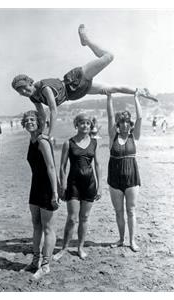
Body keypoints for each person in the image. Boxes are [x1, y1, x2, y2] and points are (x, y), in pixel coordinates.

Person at [12, 24, 158, 141]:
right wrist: (39, 132)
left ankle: (86, 41)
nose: (24, 92)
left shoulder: (44, 89)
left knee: (109, 58)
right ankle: (141, 90)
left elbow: (53, 111)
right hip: (75, 94)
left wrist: (49, 134)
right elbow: (42, 116)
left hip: (74, 81)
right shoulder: (33, 97)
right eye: (21, 92)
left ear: (30, 83)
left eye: (25, 88)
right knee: (111, 88)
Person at [53, 113, 102, 261]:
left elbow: (98, 165)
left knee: (85, 217)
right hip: (73, 184)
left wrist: (100, 187)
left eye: (88, 123)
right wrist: (62, 186)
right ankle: (64, 248)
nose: (85, 125)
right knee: (72, 218)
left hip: (90, 184)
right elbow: (62, 167)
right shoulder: (69, 143)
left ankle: (80, 247)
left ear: (90, 125)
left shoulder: (94, 143)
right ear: (76, 125)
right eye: (82, 123)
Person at [21, 110, 59, 279]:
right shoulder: (32, 140)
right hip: (35, 187)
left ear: (38, 122)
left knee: (48, 227)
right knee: (36, 225)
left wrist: (55, 192)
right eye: (27, 120)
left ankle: (45, 265)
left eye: (32, 119)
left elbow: (51, 167)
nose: (29, 122)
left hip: (46, 188)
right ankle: (35, 262)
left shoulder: (43, 141)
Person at [106, 90, 143, 252]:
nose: (126, 124)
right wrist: (109, 98)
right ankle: (121, 239)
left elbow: (140, 118)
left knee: (131, 210)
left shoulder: (134, 137)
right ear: (118, 124)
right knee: (119, 211)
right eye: (122, 122)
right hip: (114, 178)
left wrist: (136, 98)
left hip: (132, 178)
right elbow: (109, 117)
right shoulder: (112, 136)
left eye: (128, 122)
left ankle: (132, 241)